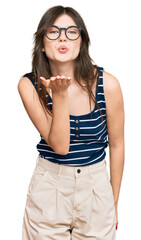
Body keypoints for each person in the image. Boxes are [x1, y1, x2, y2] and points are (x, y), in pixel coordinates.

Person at [18, 5, 125, 240]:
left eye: (71, 32)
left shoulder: (108, 84)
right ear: (42, 45)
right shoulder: (29, 85)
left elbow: (117, 145)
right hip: (49, 189)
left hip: (96, 189)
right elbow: (61, 146)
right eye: (53, 32)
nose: (63, 37)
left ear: (82, 41)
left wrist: (113, 202)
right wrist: (60, 94)